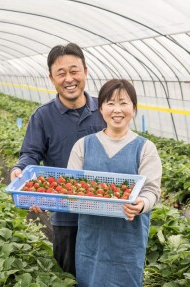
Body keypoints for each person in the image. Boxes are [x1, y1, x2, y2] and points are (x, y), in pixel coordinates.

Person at [10, 43, 106, 275]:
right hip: (65, 215)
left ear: (85, 71)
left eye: (74, 71)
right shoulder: (43, 116)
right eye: (61, 73)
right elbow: (31, 154)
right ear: (51, 78)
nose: (69, 79)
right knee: (68, 275)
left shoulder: (104, 111)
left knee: (102, 274)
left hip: (104, 211)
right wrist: (20, 169)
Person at [67, 79, 162, 287]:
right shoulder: (83, 146)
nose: (117, 110)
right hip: (92, 239)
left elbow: (151, 191)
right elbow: (70, 188)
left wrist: (141, 204)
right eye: (110, 103)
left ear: (134, 109)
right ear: (100, 108)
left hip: (127, 240)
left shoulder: (145, 148)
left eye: (123, 103)